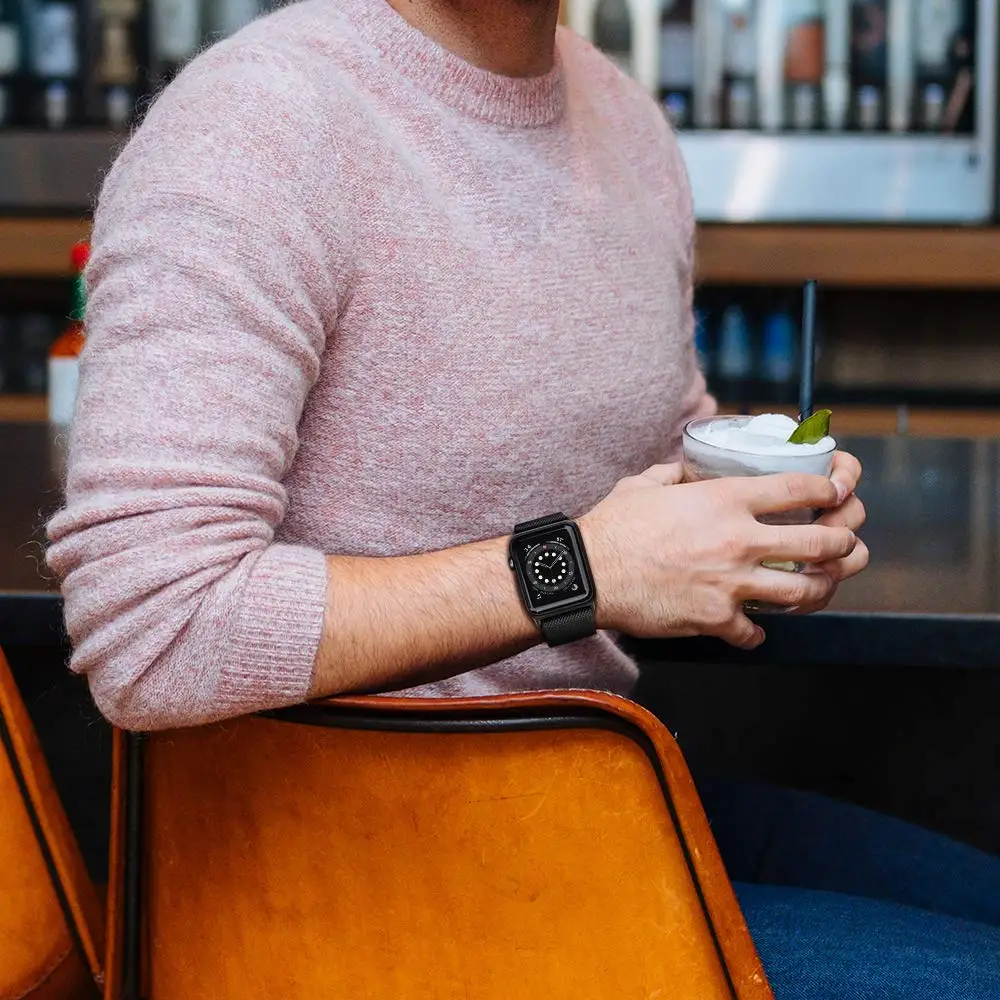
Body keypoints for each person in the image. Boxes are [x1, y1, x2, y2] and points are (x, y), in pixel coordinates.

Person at [45, 0, 1000, 995]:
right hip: (334, 879)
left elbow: (646, 446)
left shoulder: (622, 121)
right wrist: (587, 569)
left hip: (589, 796)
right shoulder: (253, 126)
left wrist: (748, 512)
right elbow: (155, 628)